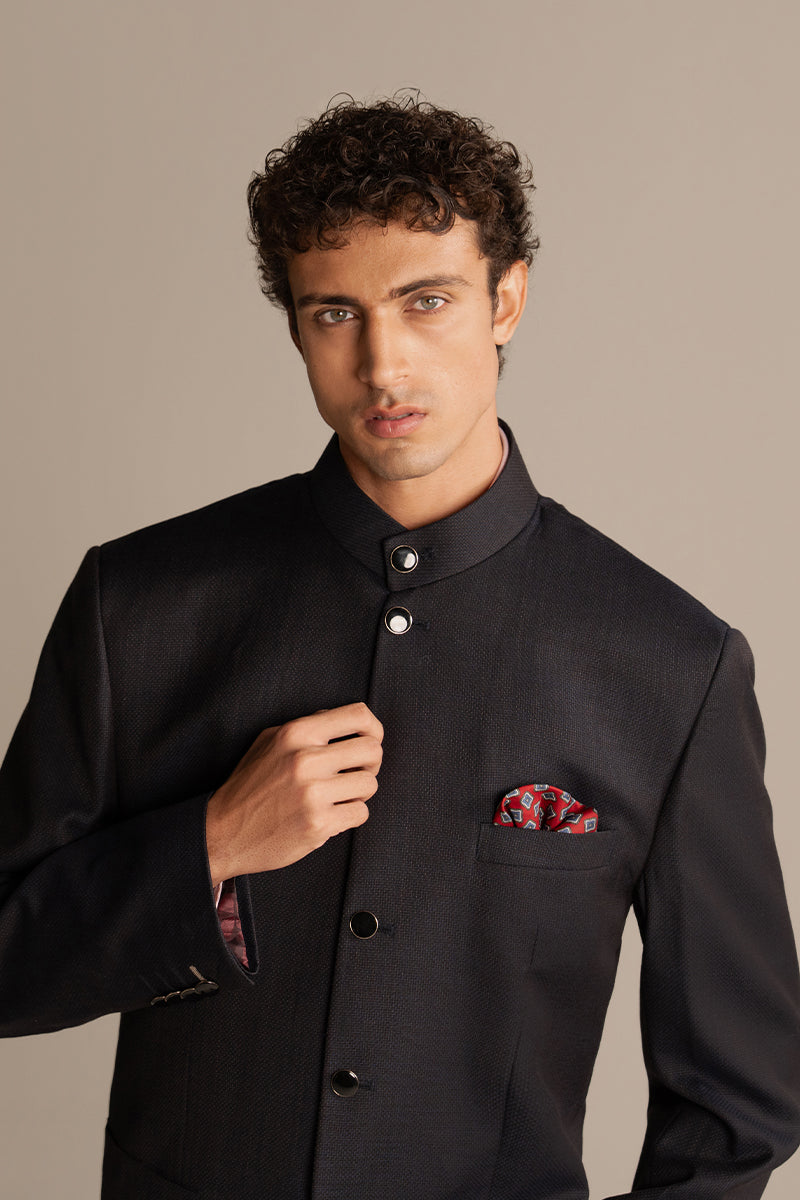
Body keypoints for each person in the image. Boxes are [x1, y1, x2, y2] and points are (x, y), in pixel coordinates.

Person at [1, 94, 799, 1200]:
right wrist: (210, 846)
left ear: (505, 299)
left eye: (427, 302)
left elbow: (739, 1102)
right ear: (295, 327)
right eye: (336, 313)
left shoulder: (670, 664)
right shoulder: (137, 604)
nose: (382, 365)